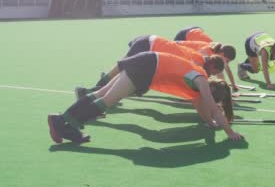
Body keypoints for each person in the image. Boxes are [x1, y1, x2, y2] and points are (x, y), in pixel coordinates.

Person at [48, 51, 243, 144]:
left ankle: (65, 123)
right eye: (214, 98)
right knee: (107, 101)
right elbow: (211, 106)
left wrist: (210, 123)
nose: (211, 100)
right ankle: (61, 122)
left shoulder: (198, 82)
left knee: (101, 94)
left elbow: (201, 107)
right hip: (147, 68)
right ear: (212, 90)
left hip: (147, 61)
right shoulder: (201, 80)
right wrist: (229, 132)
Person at [78, 35, 225, 97]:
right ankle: (88, 93)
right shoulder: (198, 64)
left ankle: (94, 92)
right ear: (211, 64)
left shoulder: (201, 58)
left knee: (123, 71)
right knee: (123, 70)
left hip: (151, 44)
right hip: (150, 46)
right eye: (214, 72)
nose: (211, 75)